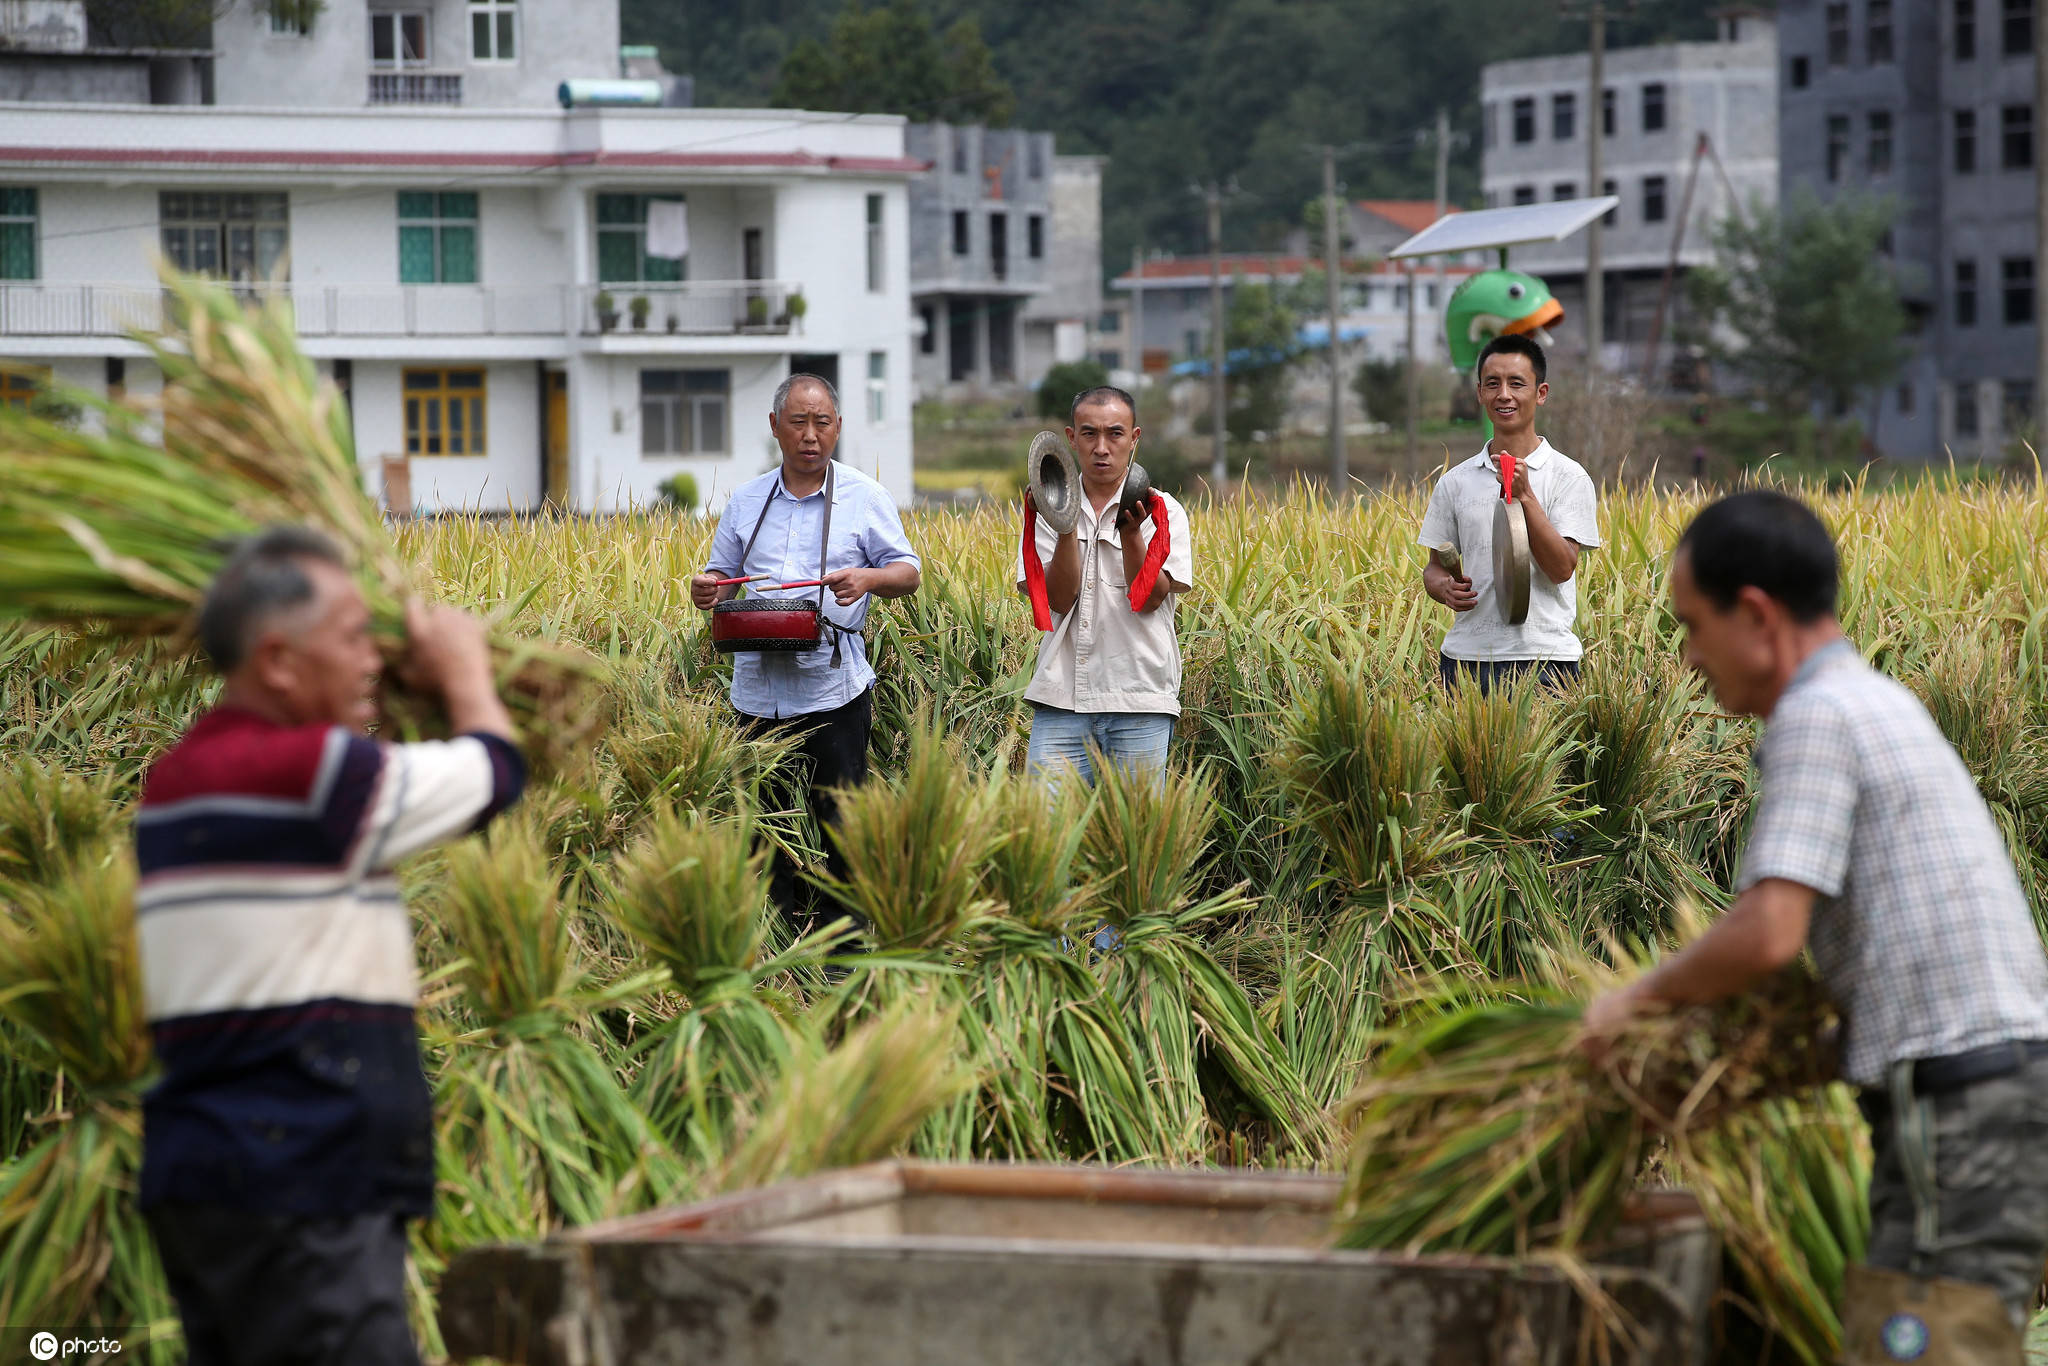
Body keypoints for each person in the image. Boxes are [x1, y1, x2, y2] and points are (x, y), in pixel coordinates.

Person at [1581, 491, 2048, 1351]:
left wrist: (1633, 1003)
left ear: (1755, 615)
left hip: (1965, 1110)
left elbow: (1768, 932)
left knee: (1924, 1347)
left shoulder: (1819, 716)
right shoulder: (1873, 701)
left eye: (1692, 626)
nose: (1688, 658)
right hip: (1982, 1101)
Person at [135, 526, 526, 1366]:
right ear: (277, 661)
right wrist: (465, 674)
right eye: (353, 636)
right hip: (302, 1177)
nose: (372, 658)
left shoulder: (175, 780)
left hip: (208, 1178)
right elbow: (495, 772)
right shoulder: (314, 776)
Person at [688, 373, 920, 934]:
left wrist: (866, 579)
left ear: (838, 428)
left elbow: (908, 573)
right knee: (762, 827)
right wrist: (709, 588)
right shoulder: (748, 500)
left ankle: (841, 951)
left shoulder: (865, 496)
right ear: (775, 427)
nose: (810, 435)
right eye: (798, 422)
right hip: (756, 695)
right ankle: (774, 945)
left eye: (822, 423)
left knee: (840, 824)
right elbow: (721, 575)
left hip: (832, 691)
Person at [1015, 384, 1193, 786]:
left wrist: (1132, 536)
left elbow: (1148, 600)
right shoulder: (1048, 508)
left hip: (1139, 698)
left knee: (1135, 840)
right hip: (1061, 701)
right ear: (1071, 438)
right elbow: (1059, 599)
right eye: (1089, 434)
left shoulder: (1162, 511)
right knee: (1046, 837)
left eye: (1114, 433)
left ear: (1134, 438)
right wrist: (1064, 525)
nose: (1101, 447)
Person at [1418, 333, 1600, 693]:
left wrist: (1526, 497)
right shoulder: (1454, 483)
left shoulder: (1568, 476)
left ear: (1541, 393)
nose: (1504, 394)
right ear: (1480, 393)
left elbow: (1562, 567)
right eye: (1492, 384)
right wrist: (1445, 588)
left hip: (1546, 662)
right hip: (1466, 661)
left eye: (1517, 383)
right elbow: (1434, 567)